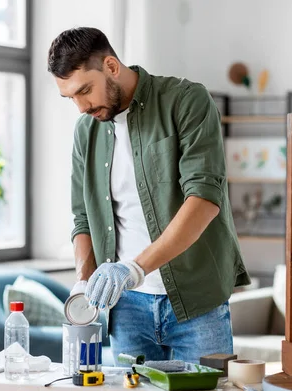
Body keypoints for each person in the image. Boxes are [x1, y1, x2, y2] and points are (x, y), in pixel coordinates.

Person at [47, 27, 251, 364]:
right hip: (126, 308)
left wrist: (134, 268)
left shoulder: (186, 101)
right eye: (70, 97)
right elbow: (83, 216)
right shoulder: (86, 131)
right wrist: (84, 282)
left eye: (85, 90)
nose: (81, 106)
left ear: (111, 66)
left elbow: (203, 200)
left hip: (196, 299)